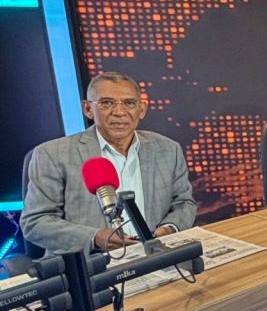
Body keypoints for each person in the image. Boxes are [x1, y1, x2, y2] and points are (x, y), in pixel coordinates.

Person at [22, 72, 196, 253]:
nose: (119, 112)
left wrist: (167, 230)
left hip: (155, 256)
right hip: (91, 262)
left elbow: (184, 203)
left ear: (142, 109)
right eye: (106, 103)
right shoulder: (52, 154)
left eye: (129, 103)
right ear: (88, 109)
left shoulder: (169, 149)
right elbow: (35, 222)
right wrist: (94, 238)